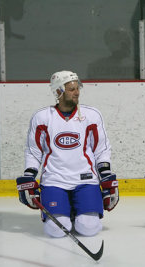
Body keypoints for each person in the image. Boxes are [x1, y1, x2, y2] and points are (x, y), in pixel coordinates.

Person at [16, 70, 119, 238]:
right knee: (56, 230)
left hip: (85, 179)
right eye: (71, 89)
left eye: (77, 88)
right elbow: (34, 150)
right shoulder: (42, 117)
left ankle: (76, 208)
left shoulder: (91, 115)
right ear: (58, 91)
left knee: (88, 228)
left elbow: (101, 148)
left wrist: (105, 174)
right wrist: (29, 175)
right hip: (54, 179)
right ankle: (66, 208)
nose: (77, 92)